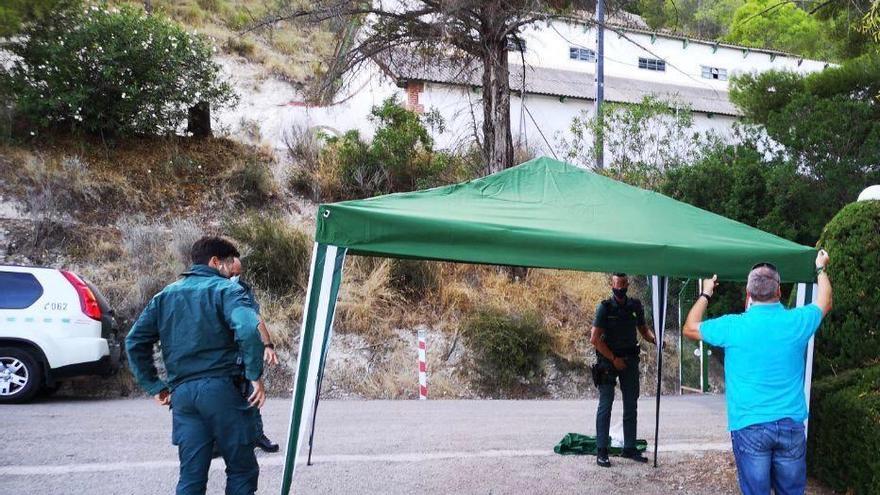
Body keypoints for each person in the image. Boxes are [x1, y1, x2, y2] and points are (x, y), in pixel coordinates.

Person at [683, 250, 832, 495]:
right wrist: (820, 268)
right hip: (790, 425)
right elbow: (825, 301)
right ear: (779, 291)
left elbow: (689, 327)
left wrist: (706, 292)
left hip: (749, 426)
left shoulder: (732, 325)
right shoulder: (798, 321)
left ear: (749, 294)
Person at [126, 237, 266, 495]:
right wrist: (254, 374)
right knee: (241, 469)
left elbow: (134, 341)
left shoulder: (164, 296)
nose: (231, 274)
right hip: (222, 389)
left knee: (191, 476)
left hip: (183, 396)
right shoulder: (227, 291)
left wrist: (155, 385)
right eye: (228, 266)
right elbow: (248, 328)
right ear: (215, 262)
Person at [590, 273, 659, 467]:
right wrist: (613, 359)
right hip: (607, 361)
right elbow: (594, 339)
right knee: (606, 405)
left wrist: (656, 340)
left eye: (622, 284)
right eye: (615, 284)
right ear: (611, 285)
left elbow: (644, 330)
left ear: (627, 284)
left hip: (629, 361)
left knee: (631, 404)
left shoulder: (635, 306)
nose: (619, 288)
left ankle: (629, 447)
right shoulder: (604, 308)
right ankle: (602, 451)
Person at [229, 256, 280, 453]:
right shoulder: (212, 290)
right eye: (233, 273)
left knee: (252, 391)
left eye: (239, 274)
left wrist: (268, 344)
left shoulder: (243, 290)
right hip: (222, 351)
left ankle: (257, 435)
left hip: (242, 348)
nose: (236, 277)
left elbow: (255, 318)